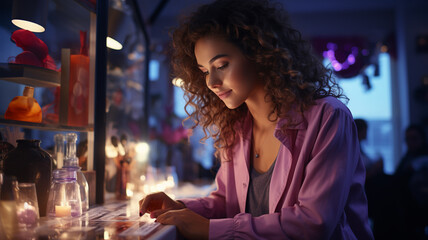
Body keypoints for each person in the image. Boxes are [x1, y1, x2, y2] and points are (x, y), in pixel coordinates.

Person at [139, 0, 374, 239]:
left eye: (221, 65)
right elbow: (227, 203)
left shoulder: (328, 117)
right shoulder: (236, 127)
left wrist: (208, 229)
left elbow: (314, 223)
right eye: (205, 71)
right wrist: (181, 208)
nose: (211, 82)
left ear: (260, 53)